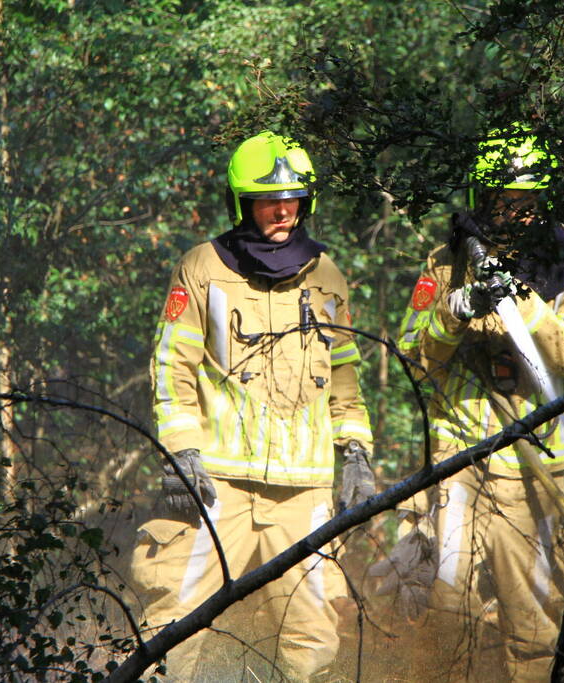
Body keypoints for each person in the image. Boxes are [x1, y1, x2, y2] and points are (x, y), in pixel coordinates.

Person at [130, 131, 376, 681]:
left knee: (313, 641)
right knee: (173, 625)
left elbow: (345, 377)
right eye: (269, 200)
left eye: (293, 199)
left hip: (304, 491)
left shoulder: (327, 276)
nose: (283, 210)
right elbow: (172, 367)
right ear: (242, 203)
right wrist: (181, 453)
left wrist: (356, 452)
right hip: (217, 484)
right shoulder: (202, 268)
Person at [385, 125, 564, 681]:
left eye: (529, 200)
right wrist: (454, 309)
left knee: (534, 626)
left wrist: (523, 302)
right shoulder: (448, 261)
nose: (518, 212)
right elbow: (412, 354)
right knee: (448, 607)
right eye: (506, 200)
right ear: (485, 197)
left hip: (533, 478)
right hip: (459, 464)